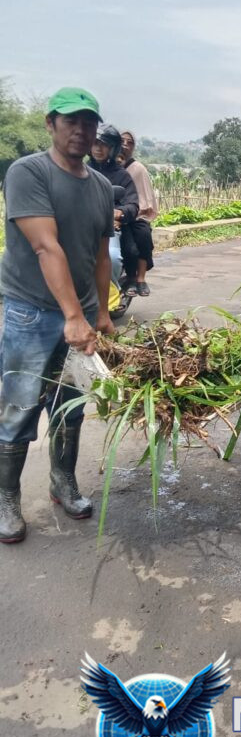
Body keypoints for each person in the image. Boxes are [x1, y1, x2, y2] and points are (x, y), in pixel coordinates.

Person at [0, 87, 115, 544]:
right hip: (32, 312)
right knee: (19, 407)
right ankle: (6, 497)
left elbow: (101, 256)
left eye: (89, 122)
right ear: (51, 124)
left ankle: (62, 482)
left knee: (70, 408)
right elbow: (46, 246)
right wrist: (72, 316)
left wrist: (100, 312)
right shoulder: (28, 172)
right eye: (71, 121)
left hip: (80, 316)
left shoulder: (102, 186)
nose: (81, 130)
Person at [88, 125, 140, 293]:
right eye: (95, 143)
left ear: (113, 148)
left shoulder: (121, 175)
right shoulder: (80, 170)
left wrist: (120, 212)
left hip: (108, 228)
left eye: (104, 145)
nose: (98, 148)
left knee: (113, 258)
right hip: (80, 227)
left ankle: (111, 295)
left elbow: (133, 204)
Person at [119, 130, 158, 296]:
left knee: (143, 236)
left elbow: (144, 196)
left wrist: (133, 210)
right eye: (122, 141)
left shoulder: (138, 169)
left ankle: (140, 278)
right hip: (112, 215)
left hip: (135, 215)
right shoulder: (107, 165)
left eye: (130, 142)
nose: (125, 145)